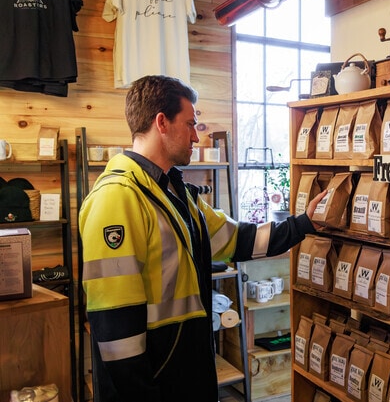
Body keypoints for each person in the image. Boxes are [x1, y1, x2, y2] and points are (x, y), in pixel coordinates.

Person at [79, 75, 327, 402]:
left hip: (186, 370)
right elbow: (114, 323)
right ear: (162, 122)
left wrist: (305, 223)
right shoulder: (117, 197)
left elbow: (242, 240)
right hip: (150, 384)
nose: (197, 136)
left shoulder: (178, 194)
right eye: (191, 124)